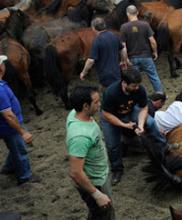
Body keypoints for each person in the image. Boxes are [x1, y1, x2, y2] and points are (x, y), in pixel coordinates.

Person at [100, 68, 165, 185]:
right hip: (111, 116)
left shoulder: (139, 90)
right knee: (112, 145)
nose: (137, 88)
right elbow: (106, 114)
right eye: (134, 86)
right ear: (124, 83)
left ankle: (164, 146)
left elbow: (144, 108)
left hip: (130, 110)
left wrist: (140, 125)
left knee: (149, 122)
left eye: (138, 85)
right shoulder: (111, 93)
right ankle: (117, 170)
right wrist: (124, 125)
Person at [66, 86, 115, 220]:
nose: (100, 104)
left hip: (99, 174)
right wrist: (97, 194)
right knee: (105, 213)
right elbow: (75, 172)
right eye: (96, 102)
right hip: (95, 182)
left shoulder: (74, 113)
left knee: (97, 212)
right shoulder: (80, 137)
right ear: (85, 106)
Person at [0, 55, 40, 185]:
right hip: (9, 127)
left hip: (6, 126)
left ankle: (8, 168)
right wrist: (23, 132)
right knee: (20, 150)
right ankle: (25, 176)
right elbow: (8, 115)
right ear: (1, 68)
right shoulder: (0, 90)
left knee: (15, 147)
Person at [120, 5, 162, 92]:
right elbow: (152, 41)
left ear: (127, 14)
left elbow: (123, 46)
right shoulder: (145, 25)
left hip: (132, 58)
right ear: (137, 13)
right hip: (146, 56)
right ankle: (160, 94)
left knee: (135, 79)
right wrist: (155, 52)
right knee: (154, 76)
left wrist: (125, 58)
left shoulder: (124, 27)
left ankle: (140, 96)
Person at [80, 17, 127, 88]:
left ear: (93, 28)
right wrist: (124, 61)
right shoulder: (113, 35)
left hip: (105, 75)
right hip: (117, 72)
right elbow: (123, 49)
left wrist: (84, 72)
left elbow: (91, 60)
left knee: (108, 94)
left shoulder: (97, 40)